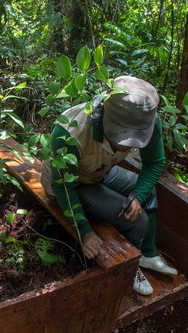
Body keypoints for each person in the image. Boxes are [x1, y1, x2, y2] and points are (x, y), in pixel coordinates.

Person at [41, 75, 177, 296]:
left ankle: (147, 254)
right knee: (136, 220)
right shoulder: (70, 132)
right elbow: (63, 187)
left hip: (100, 170)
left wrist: (138, 196)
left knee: (148, 191)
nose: (128, 147)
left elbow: (154, 163)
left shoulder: (145, 120)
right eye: (124, 139)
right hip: (70, 183)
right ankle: (130, 267)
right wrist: (84, 232)